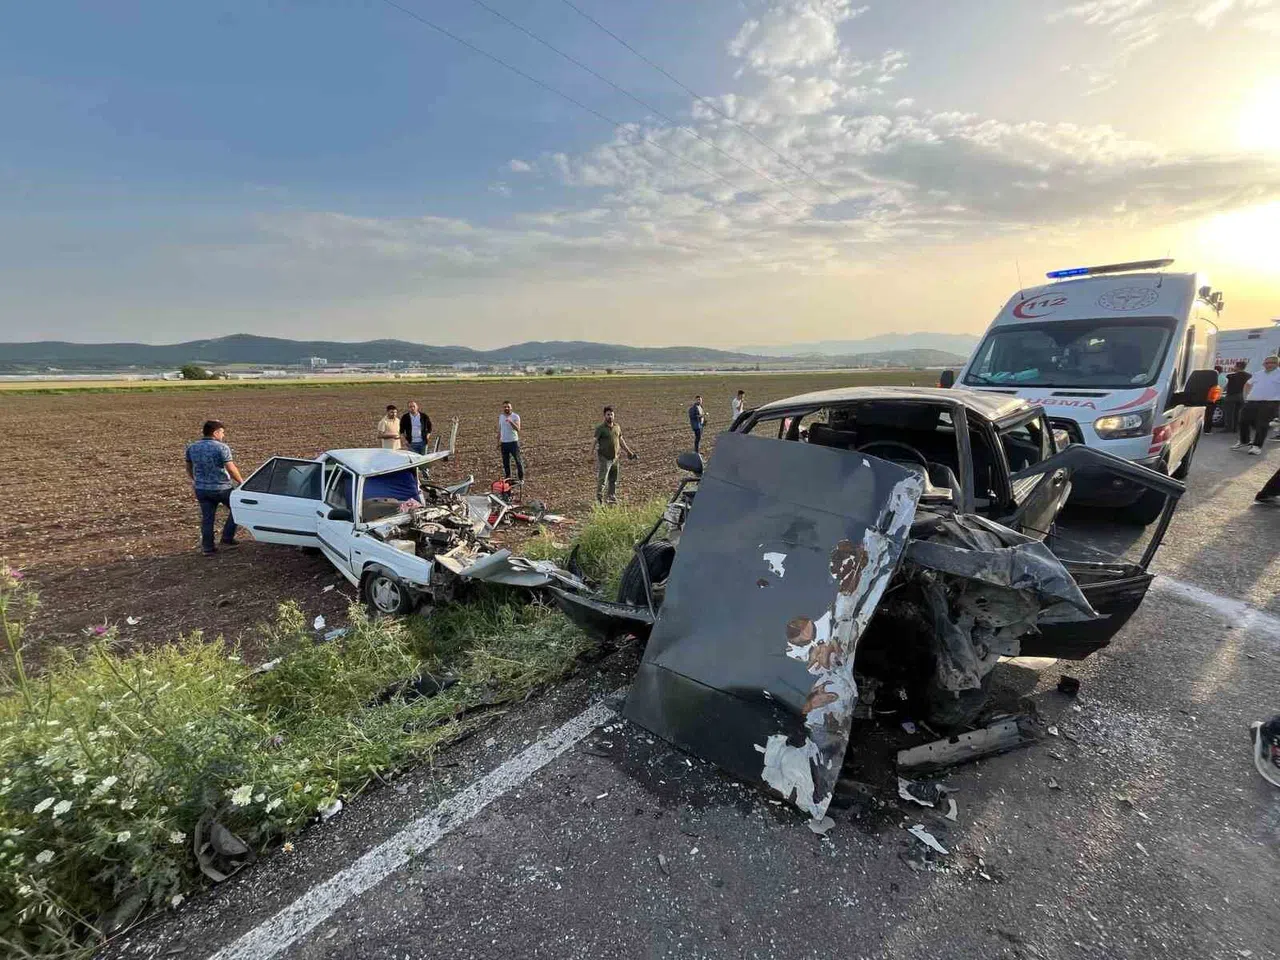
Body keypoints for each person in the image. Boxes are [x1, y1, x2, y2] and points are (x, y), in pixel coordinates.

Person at [185, 419, 244, 556]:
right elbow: (231, 468)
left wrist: (196, 480)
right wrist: (241, 481)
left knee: (207, 519)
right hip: (221, 488)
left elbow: (189, 467)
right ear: (216, 432)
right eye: (222, 432)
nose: (223, 435)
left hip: (201, 489)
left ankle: (208, 548)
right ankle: (227, 538)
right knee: (237, 509)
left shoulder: (192, 447)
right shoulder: (221, 447)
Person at [1233, 355, 1280, 455]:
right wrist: (1245, 397)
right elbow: (1248, 384)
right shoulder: (1258, 374)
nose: (1268, 365)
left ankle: (1257, 446)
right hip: (1252, 401)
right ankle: (1244, 441)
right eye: (1266, 362)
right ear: (1263, 364)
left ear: (1277, 364)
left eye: (1272, 362)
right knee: (1243, 421)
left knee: (1262, 424)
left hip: (1270, 402)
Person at [593, 406, 636, 504]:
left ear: (614, 415)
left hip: (615, 458)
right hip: (604, 458)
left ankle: (611, 496)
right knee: (603, 479)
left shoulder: (617, 427)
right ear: (604, 416)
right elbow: (594, 441)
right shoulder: (600, 428)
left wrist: (629, 452)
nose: (610, 417)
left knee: (613, 479)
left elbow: (621, 440)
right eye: (608, 415)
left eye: (611, 414)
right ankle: (599, 499)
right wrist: (589, 455)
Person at [498, 400, 524, 482]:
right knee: (506, 463)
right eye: (505, 407)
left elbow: (518, 429)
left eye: (508, 407)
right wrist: (498, 441)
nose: (506, 408)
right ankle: (508, 479)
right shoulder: (501, 417)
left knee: (518, 461)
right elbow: (500, 430)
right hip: (504, 443)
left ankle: (521, 478)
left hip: (513, 442)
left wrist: (511, 421)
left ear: (511, 408)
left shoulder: (515, 416)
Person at [1223, 361, 1250, 433]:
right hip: (1243, 396)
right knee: (1238, 412)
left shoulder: (1230, 376)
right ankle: (1235, 428)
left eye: (1235, 366)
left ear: (1237, 367)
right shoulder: (1249, 376)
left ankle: (1229, 428)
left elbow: (1226, 387)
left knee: (1229, 413)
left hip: (1231, 396)